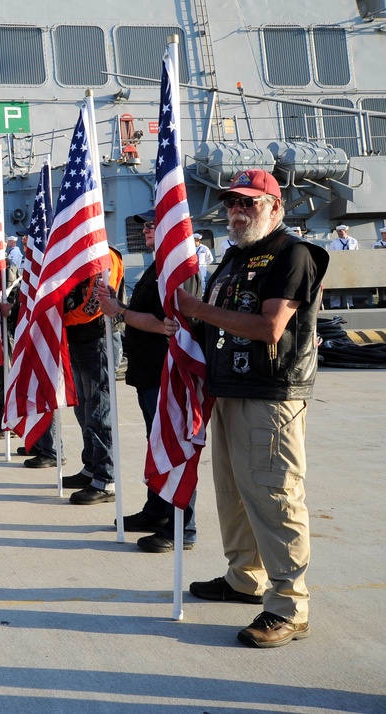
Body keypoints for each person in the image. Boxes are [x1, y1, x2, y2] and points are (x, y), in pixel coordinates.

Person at [174, 168, 328, 648]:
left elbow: (269, 328)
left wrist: (197, 310)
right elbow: (208, 326)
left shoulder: (293, 255)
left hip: (271, 395)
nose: (238, 212)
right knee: (235, 494)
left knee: (275, 495)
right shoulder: (234, 258)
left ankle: (289, 607)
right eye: (232, 204)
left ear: (276, 208)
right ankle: (244, 578)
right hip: (230, 391)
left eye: (250, 203)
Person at [97, 212, 200, 550]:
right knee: (158, 444)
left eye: (152, 225)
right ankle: (156, 511)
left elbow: (164, 323)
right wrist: (117, 303)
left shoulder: (177, 271)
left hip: (167, 373)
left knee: (175, 445)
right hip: (148, 373)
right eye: (143, 225)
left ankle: (182, 527)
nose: (145, 229)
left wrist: (120, 311)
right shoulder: (157, 267)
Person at [60, 246, 124, 505]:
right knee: (84, 409)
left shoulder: (103, 255)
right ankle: (91, 467)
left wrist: (64, 319)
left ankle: (105, 478)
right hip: (78, 341)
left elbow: (95, 304)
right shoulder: (78, 255)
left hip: (97, 340)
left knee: (99, 410)